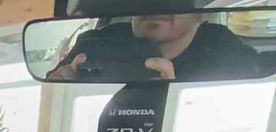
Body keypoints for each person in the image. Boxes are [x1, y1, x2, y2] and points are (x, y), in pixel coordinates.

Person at [48, 12, 261, 81]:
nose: (156, 4)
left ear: (202, 13)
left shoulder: (224, 51)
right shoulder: (95, 44)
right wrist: (59, 85)